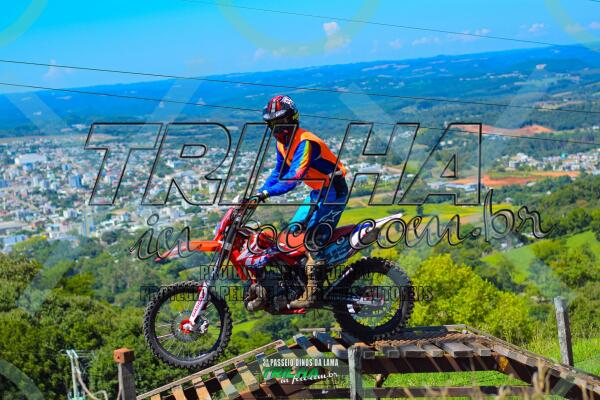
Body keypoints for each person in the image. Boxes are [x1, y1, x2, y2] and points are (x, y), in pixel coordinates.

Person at [256, 95, 348, 308]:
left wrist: (267, 194)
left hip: (333, 193)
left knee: (312, 240)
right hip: (317, 193)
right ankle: (297, 282)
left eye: (280, 122)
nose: (276, 129)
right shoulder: (283, 144)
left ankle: (313, 292)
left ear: (292, 119)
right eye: (272, 124)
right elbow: (279, 172)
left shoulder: (306, 142)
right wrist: (259, 192)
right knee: (291, 236)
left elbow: (294, 177)